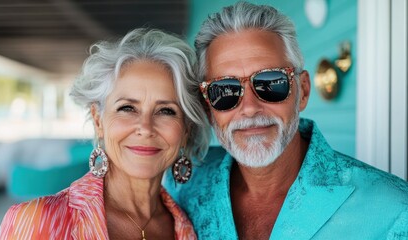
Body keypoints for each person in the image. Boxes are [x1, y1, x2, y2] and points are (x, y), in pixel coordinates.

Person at [163, 2, 408, 239]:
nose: (249, 108)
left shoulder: (395, 209)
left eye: (270, 83)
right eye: (225, 90)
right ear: (208, 107)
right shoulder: (184, 187)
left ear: (303, 91)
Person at [0, 28, 210, 240]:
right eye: (127, 108)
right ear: (98, 120)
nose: (145, 128)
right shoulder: (35, 222)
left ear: (186, 129)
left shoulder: (189, 227)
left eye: (166, 111)